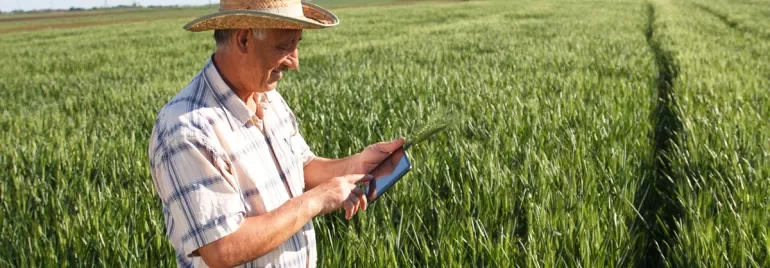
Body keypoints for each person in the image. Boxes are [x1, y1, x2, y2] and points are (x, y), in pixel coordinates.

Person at [148, 0, 404, 267]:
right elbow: (222, 248)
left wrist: (357, 164)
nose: (295, 62)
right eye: (284, 46)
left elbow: (301, 168)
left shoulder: (268, 99)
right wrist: (316, 201)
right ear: (244, 39)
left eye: (297, 44)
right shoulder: (186, 128)